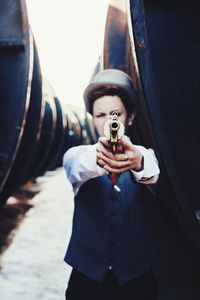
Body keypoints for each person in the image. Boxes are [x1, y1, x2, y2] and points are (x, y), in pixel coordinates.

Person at [63, 69, 160, 300]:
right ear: (93, 119)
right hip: (86, 283)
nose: (109, 121)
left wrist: (136, 160)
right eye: (101, 115)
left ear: (130, 117)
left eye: (116, 113)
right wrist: (99, 156)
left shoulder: (145, 155)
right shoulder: (77, 155)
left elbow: (151, 172)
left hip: (137, 284)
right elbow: (78, 164)